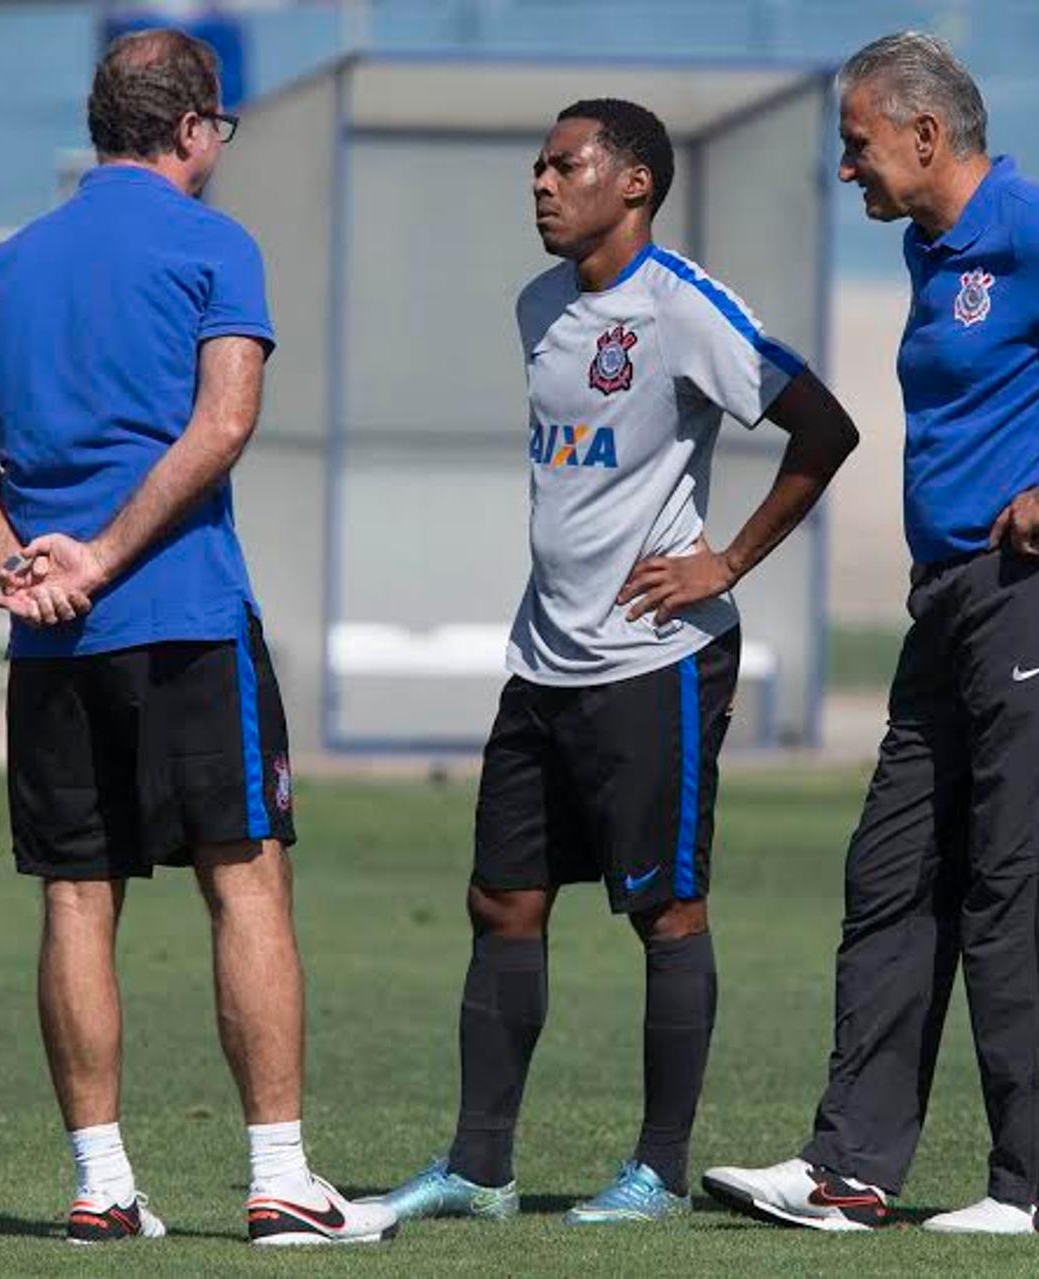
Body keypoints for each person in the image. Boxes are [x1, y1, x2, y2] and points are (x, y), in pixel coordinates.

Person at [702, 32, 1039, 1235]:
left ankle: (1038, 1185)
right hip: (952, 602)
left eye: (857, 144)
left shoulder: (1035, 227)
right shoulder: (928, 252)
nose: (848, 170)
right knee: (891, 871)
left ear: (926, 136)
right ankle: (849, 1170)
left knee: (1011, 882)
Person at [0, 28, 394, 1249]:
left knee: (78, 896)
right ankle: (281, 1178)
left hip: (54, 641)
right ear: (195, 130)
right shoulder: (213, 243)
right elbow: (224, 421)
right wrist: (107, 556)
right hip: (182, 616)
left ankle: (101, 1184)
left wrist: (25, 570)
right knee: (245, 882)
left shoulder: (11, 261)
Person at [369, 98, 860, 1227]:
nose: (541, 183)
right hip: (544, 659)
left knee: (666, 910)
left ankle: (657, 1169)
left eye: (565, 164)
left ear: (633, 184)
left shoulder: (686, 310)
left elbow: (824, 428)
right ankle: (481, 1166)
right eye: (535, 166)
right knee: (501, 898)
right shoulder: (539, 307)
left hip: (657, 662)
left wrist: (725, 560)